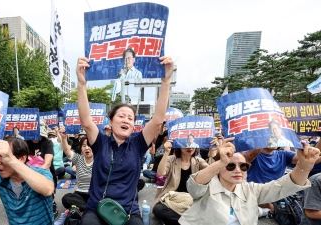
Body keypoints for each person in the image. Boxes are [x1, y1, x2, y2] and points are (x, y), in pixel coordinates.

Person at [76, 55, 174, 225]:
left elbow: (158, 119)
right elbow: (86, 121)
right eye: (121, 116)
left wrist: (165, 82)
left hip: (127, 212)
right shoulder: (100, 143)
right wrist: (82, 84)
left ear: (134, 125)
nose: (126, 120)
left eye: (130, 118)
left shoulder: (138, 144)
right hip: (97, 209)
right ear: (111, 121)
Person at [178, 138, 317, 225]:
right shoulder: (207, 187)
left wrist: (304, 167)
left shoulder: (251, 189)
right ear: (219, 168)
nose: (238, 170)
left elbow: (284, 186)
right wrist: (222, 161)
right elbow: (195, 183)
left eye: (243, 166)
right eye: (230, 165)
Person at [153, 140, 208, 225]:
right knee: (158, 209)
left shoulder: (198, 161)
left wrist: (214, 153)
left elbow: (212, 173)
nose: (190, 147)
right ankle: (189, 221)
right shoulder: (171, 159)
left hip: (191, 200)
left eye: (193, 144)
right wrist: (166, 152)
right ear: (179, 145)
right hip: (172, 199)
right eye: (186, 144)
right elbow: (161, 173)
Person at [59, 127, 93, 211]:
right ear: (81, 148)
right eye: (84, 146)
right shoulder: (78, 158)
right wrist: (64, 138)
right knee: (66, 198)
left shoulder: (100, 159)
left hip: (94, 193)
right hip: (79, 193)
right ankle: (88, 208)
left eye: (89, 145)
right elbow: (67, 150)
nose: (87, 148)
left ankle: (81, 209)